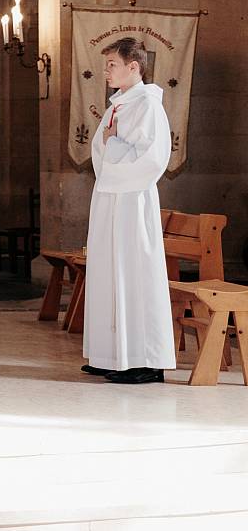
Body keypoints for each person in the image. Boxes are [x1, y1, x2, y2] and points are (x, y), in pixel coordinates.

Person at [81, 37, 176, 384]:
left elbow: (153, 159)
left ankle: (146, 360)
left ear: (133, 67)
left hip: (133, 200)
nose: (106, 71)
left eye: (112, 65)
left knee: (134, 274)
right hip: (110, 196)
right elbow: (100, 146)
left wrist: (113, 146)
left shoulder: (148, 105)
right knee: (109, 272)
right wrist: (111, 146)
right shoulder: (118, 104)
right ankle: (112, 355)